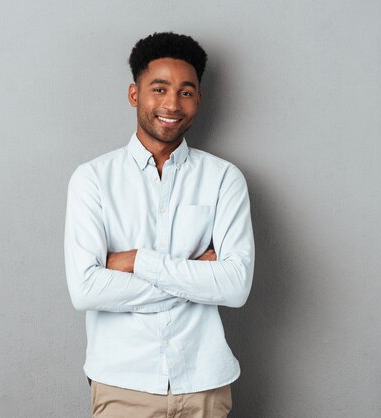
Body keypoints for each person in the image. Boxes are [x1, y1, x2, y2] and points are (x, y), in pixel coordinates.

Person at [64, 32, 255, 418]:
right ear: (135, 95)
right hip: (122, 384)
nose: (172, 103)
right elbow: (85, 290)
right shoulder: (92, 179)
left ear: (198, 99)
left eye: (186, 91)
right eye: (160, 88)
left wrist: (136, 260)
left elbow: (235, 287)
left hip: (205, 383)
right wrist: (199, 276)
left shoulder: (224, 179)